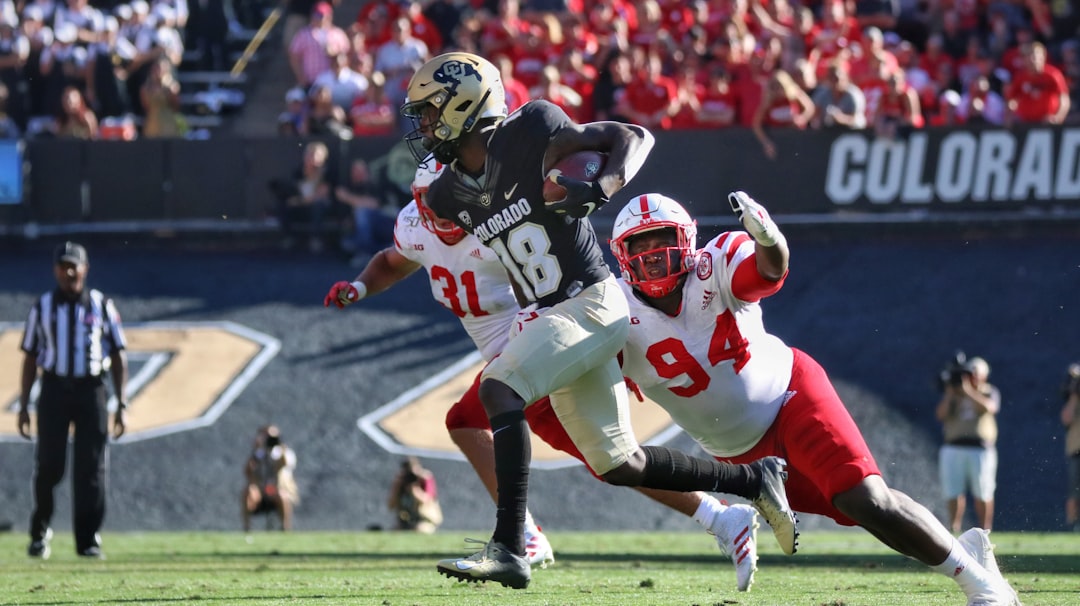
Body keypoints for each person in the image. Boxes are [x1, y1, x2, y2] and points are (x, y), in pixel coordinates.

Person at [390, 51, 796, 590]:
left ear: (465, 103)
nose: (421, 123)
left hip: (592, 302)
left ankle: (510, 546)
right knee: (616, 462)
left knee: (500, 387)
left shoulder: (531, 128)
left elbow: (632, 137)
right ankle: (752, 481)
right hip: (553, 312)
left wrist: (601, 185)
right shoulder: (446, 193)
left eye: (429, 110)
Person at [324, 161, 765, 591]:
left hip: (539, 357)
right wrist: (360, 286)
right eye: (429, 201)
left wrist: (599, 351)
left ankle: (722, 511)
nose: (438, 211)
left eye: (447, 199)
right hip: (512, 366)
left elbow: (553, 288)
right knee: (606, 458)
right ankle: (723, 509)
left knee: (608, 459)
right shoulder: (415, 225)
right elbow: (393, 259)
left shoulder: (493, 227)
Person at [609, 191, 1021, 606]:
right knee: (864, 512)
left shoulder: (715, 264)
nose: (651, 254)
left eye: (660, 239)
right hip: (740, 453)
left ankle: (984, 589)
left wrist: (770, 239)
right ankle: (970, 557)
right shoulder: (612, 311)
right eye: (639, 245)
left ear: (686, 240)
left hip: (790, 397)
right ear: (621, 256)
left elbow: (767, 272)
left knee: (865, 497)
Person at [17, 241, 128, 560]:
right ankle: (40, 531)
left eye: (74, 266)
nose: (69, 272)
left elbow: (119, 355)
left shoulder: (101, 305)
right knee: (49, 465)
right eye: (63, 266)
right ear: (55, 270)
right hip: (53, 389)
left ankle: (88, 538)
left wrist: (122, 403)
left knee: (91, 467)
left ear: (85, 269)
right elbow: (30, 357)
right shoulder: (42, 307)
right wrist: (24, 405)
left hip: (91, 389)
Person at [935, 355, 1000, 533]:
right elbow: (941, 415)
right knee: (953, 490)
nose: (971, 378)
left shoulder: (988, 391)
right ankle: (954, 527)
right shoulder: (953, 394)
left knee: (983, 489)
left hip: (980, 447)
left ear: (984, 375)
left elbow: (989, 408)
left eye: (974, 374)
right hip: (954, 446)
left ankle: (985, 528)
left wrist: (969, 391)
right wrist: (950, 393)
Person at [243, 424, 300, 532]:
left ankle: (285, 528)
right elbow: (247, 473)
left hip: (279, 490)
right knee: (248, 491)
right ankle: (247, 528)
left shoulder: (285, 452)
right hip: (261, 491)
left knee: (281, 494)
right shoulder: (258, 454)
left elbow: (285, 465)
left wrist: (281, 448)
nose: (270, 440)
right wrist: (255, 452)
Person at [388, 456, 442, 533]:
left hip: (424, 520)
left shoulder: (424, 480)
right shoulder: (401, 483)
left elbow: (427, 501)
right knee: (394, 532)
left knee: (419, 530)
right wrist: (396, 487)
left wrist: (415, 490)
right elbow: (391, 506)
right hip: (406, 521)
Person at [1061, 363, 1080, 532]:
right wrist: (1074, 394)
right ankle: (1073, 526)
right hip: (1077, 450)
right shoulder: (1074, 400)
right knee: (1074, 492)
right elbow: (1066, 418)